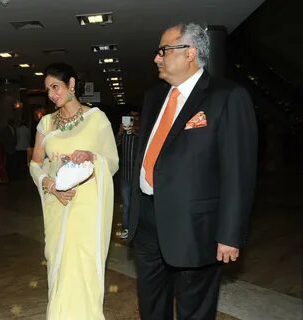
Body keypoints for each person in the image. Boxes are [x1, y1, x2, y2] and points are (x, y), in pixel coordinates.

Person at [128, 23, 258, 319]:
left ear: (190, 53)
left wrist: (230, 234)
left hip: (195, 227)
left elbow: (239, 171)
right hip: (147, 221)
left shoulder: (227, 97)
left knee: (194, 310)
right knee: (151, 306)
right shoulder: (153, 97)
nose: (156, 58)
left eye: (163, 50)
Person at [30, 62, 118, 319]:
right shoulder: (46, 124)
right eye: (47, 90)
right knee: (59, 266)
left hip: (88, 206)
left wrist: (92, 155)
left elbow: (111, 162)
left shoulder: (97, 118)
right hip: (58, 204)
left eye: (55, 87)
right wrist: (50, 185)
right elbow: (35, 164)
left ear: (71, 85)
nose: (51, 94)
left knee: (85, 264)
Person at [116, 110, 139, 240]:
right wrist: (120, 132)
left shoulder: (141, 134)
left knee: (137, 204)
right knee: (126, 205)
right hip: (125, 176)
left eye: (135, 117)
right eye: (131, 117)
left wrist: (136, 132)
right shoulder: (123, 135)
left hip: (137, 177)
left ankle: (136, 229)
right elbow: (113, 145)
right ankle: (126, 228)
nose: (133, 120)